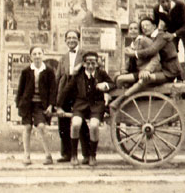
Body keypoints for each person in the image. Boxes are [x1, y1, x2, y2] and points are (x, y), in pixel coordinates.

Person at [56, 51, 115, 166]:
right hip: (81, 104)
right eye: (88, 63)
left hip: (96, 104)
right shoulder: (78, 76)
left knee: (93, 125)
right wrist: (58, 106)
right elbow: (66, 90)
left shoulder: (101, 73)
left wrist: (105, 85)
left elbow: (113, 84)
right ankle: (74, 155)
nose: (90, 66)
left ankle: (92, 156)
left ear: (97, 64)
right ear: (83, 64)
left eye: (93, 63)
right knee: (76, 124)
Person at [55, 29, 91, 164]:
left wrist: (80, 65)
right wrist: (56, 97)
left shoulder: (84, 54)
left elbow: (92, 63)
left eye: (74, 38)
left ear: (78, 40)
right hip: (65, 90)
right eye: (68, 38)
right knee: (63, 121)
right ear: (65, 41)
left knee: (79, 121)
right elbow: (58, 77)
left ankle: (87, 154)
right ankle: (66, 154)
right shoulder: (63, 58)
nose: (71, 40)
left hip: (78, 91)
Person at [16, 46, 56, 165]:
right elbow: (20, 90)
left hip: (41, 104)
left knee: (41, 127)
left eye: (39, 53)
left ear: (43, 55)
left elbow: (53, 90)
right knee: (27, 127)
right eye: (34, 54)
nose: (37, 56)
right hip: (27, 104)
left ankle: (48, 155)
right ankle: (26, 155)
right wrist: (19, 104)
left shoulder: (49, 71)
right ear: (31, 56)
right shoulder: (26, 71)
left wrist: (51, 105)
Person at [109, 28, 163, 110]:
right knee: (117, 77)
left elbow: (156, 56)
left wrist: (147, 70)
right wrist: (124, 70)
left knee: (120, 79)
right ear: (128, 31)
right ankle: (123, 100)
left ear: (139, 31)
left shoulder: (144, 40)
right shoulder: (132, 45)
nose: (133, 31)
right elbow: (129, 62)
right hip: (138, 71)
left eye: (135, 28)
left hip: (146, 72)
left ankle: (122, 101)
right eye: (131, 29)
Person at [124, 17, 183, 86]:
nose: (145, 28)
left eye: (147, 25)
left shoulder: (161, 36)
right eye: (143, 27)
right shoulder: (149, 38)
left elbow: (152, 50)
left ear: (154, 26)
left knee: (144, 80)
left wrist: (134, 53)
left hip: (170, 70)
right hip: (163, 69)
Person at [153, 0, 185, 81]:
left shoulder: (180, 4)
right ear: (158, 1)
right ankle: (178, 76)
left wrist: (174, 35)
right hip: (171, 28)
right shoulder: (156, 9)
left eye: (167, 1)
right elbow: (155, 24)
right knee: (171, 51)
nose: (165, 4)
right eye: (162, 2)